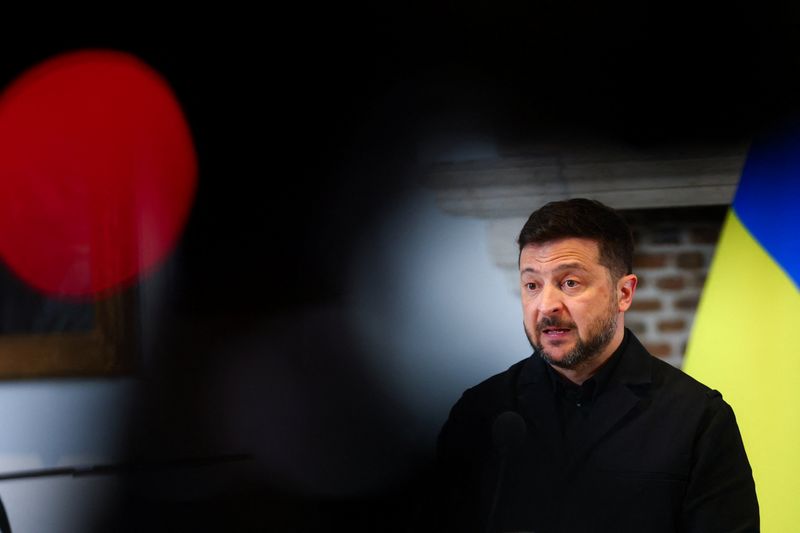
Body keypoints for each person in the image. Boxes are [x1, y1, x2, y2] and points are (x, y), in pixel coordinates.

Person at [434, 198, 759, 533]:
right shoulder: (479, 411)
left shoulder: (698, 419)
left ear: (624, 293)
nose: (546, 305)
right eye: (532, 285)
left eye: (569, 283)